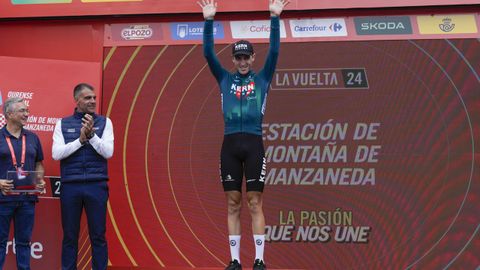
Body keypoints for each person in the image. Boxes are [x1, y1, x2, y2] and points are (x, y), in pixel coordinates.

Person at [199, 0, 289, 269]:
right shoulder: (224, 79)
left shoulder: (262, 79)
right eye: (237, 57)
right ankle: (235, 260)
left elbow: (274, 50)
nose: (241, 61)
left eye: (245, 57)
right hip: (229, 144)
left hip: (253, 143)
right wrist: (208, 21)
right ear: (233, 60)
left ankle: (259, 260)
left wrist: (274, 17)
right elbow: (207, 54)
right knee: (233, 202)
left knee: (254, 201)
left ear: (252, 58)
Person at [52, 83, 114, 270]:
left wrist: (92, 136)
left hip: (97, 185)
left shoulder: (105, 122)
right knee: (70, 236)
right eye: (88, 98)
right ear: (77, 100)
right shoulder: (62, 123)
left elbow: (108, 152)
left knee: (98, 235)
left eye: (94, 97)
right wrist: (80, 140)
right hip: (71, 186)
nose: (93, 101)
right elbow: (56, 154)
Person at [0, 97, 45, 270]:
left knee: (24, 243)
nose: (27, 114)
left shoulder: (33, 138)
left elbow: (39, 163)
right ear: (9, 114)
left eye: (27, 111)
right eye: (22, 111)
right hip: (2, 199)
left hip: (27, 200)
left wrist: (39, 180)